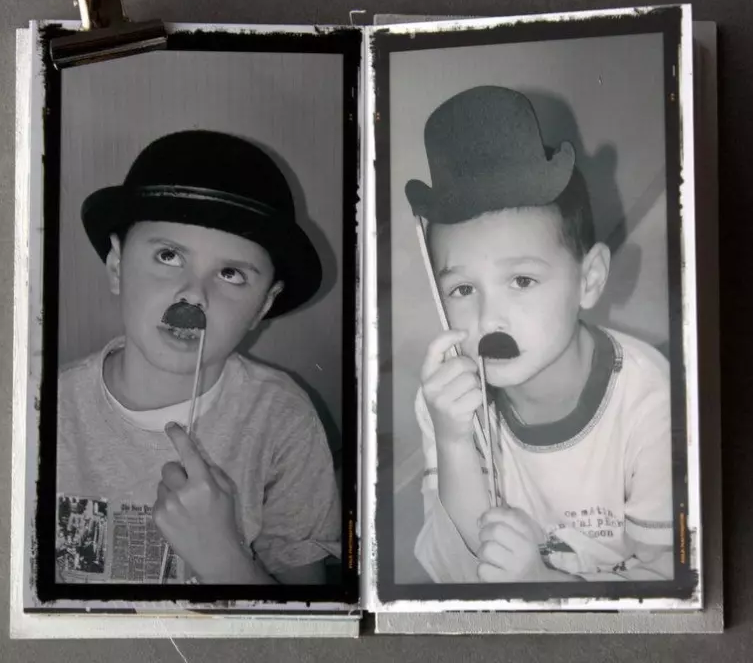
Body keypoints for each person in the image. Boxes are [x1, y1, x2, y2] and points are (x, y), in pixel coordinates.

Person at [406, 86, 673, 584]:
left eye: (522, 281)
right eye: (462, 289)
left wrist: (544, 585)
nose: (489, 318)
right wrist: (454, 442)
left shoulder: (652, 400)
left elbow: (668, 579)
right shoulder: (447, 403)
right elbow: (460, 569)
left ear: (589, 280)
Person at [56, 130, 340, 585]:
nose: (193, 295)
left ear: (263, 306)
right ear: (117, 266)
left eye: (230, 273)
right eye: (168, 255)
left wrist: (224, 559)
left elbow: (304, 612)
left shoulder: (284, 420)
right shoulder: (40, 415)